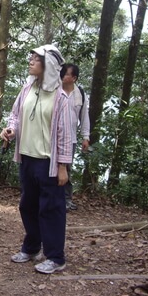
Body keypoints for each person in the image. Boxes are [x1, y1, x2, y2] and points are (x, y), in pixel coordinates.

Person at [0, 44, 74, 274]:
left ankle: (55, 257)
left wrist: (63, 166)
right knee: (28, 205)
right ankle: (31, 247)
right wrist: (10, 129)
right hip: (27, 157)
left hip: (48, 161)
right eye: (31, 57)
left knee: (51, 208)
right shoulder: (27, 88)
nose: (30, 61)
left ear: (48, 65)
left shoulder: (61, 97)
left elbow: (64, 133)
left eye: (35, 58)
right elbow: (15, 115)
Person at [59, 63, 90, 211]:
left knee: (67, 169)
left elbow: (84, 117)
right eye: (62, 73)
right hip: (53, 137)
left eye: (66, 74)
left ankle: (66, 199)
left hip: (70, 139)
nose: (63, 76)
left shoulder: (80, 95)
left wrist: (85, 137)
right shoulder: (55, 90)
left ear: (74, 78)